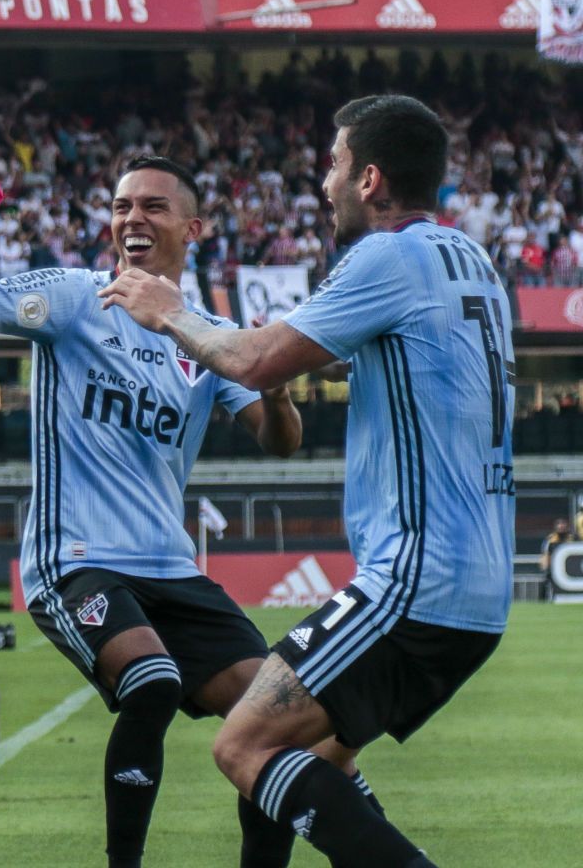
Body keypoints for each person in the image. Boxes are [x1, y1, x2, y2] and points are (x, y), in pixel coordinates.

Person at [99, 95, 516, 868]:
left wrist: (171, 311)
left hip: (417, 578)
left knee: (242, 746)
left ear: (369, 179)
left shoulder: (390, 257)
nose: (323, 182)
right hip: (478, 587)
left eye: (333, 164)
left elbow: (253, 363)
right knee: (306, 756)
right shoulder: (472, 261)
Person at [0, 157, 304, 866]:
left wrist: (273, 387)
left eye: (152, 207)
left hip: (170, 571)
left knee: (279, 722)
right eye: (121, 207)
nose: (132, 220)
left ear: (193, 228)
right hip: (77, 562)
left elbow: (282, 442)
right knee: (152, 681)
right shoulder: (71, 296)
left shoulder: (207, 332)